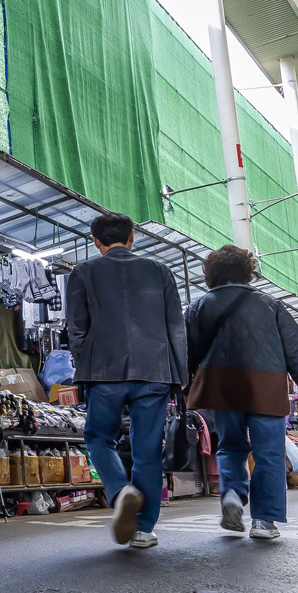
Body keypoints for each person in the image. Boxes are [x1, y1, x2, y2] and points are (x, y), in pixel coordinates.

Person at [64, 211, 187, 550]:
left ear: (96, 241)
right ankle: (144, 529)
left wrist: (85, 364)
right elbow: (176, 326)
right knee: (147, 451)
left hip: (104, 371)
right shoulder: (160, 271)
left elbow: (76, 327)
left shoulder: (83, 272)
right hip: (155, 372)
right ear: (132, 236)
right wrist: (179, 375)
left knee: (98, 438)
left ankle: (121, 491)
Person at [184, 246, 298, 540]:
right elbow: (297, 350)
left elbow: (187, 352)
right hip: (266, 385)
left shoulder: (199, 307)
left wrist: (182, 384)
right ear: (248, 272)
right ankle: (263, 521)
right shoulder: (269, 304)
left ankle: (233, 493)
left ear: (211, 274)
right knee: (269, 454)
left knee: (231, 446)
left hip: (221, 386)